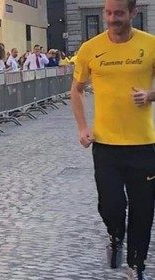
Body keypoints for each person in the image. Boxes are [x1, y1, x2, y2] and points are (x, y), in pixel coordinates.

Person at [70, 0, 155, 279]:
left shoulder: (150, 44)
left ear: (133, 13)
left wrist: (150, 95)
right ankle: (115, 234)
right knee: (111, 205)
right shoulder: (90, 49)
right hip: (106, 145)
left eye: (119, 13)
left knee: (143, 210)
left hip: (143, 144)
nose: (112, 19)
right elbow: (77, 89)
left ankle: (136, 265)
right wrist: (83, 128)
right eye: (108, 13)